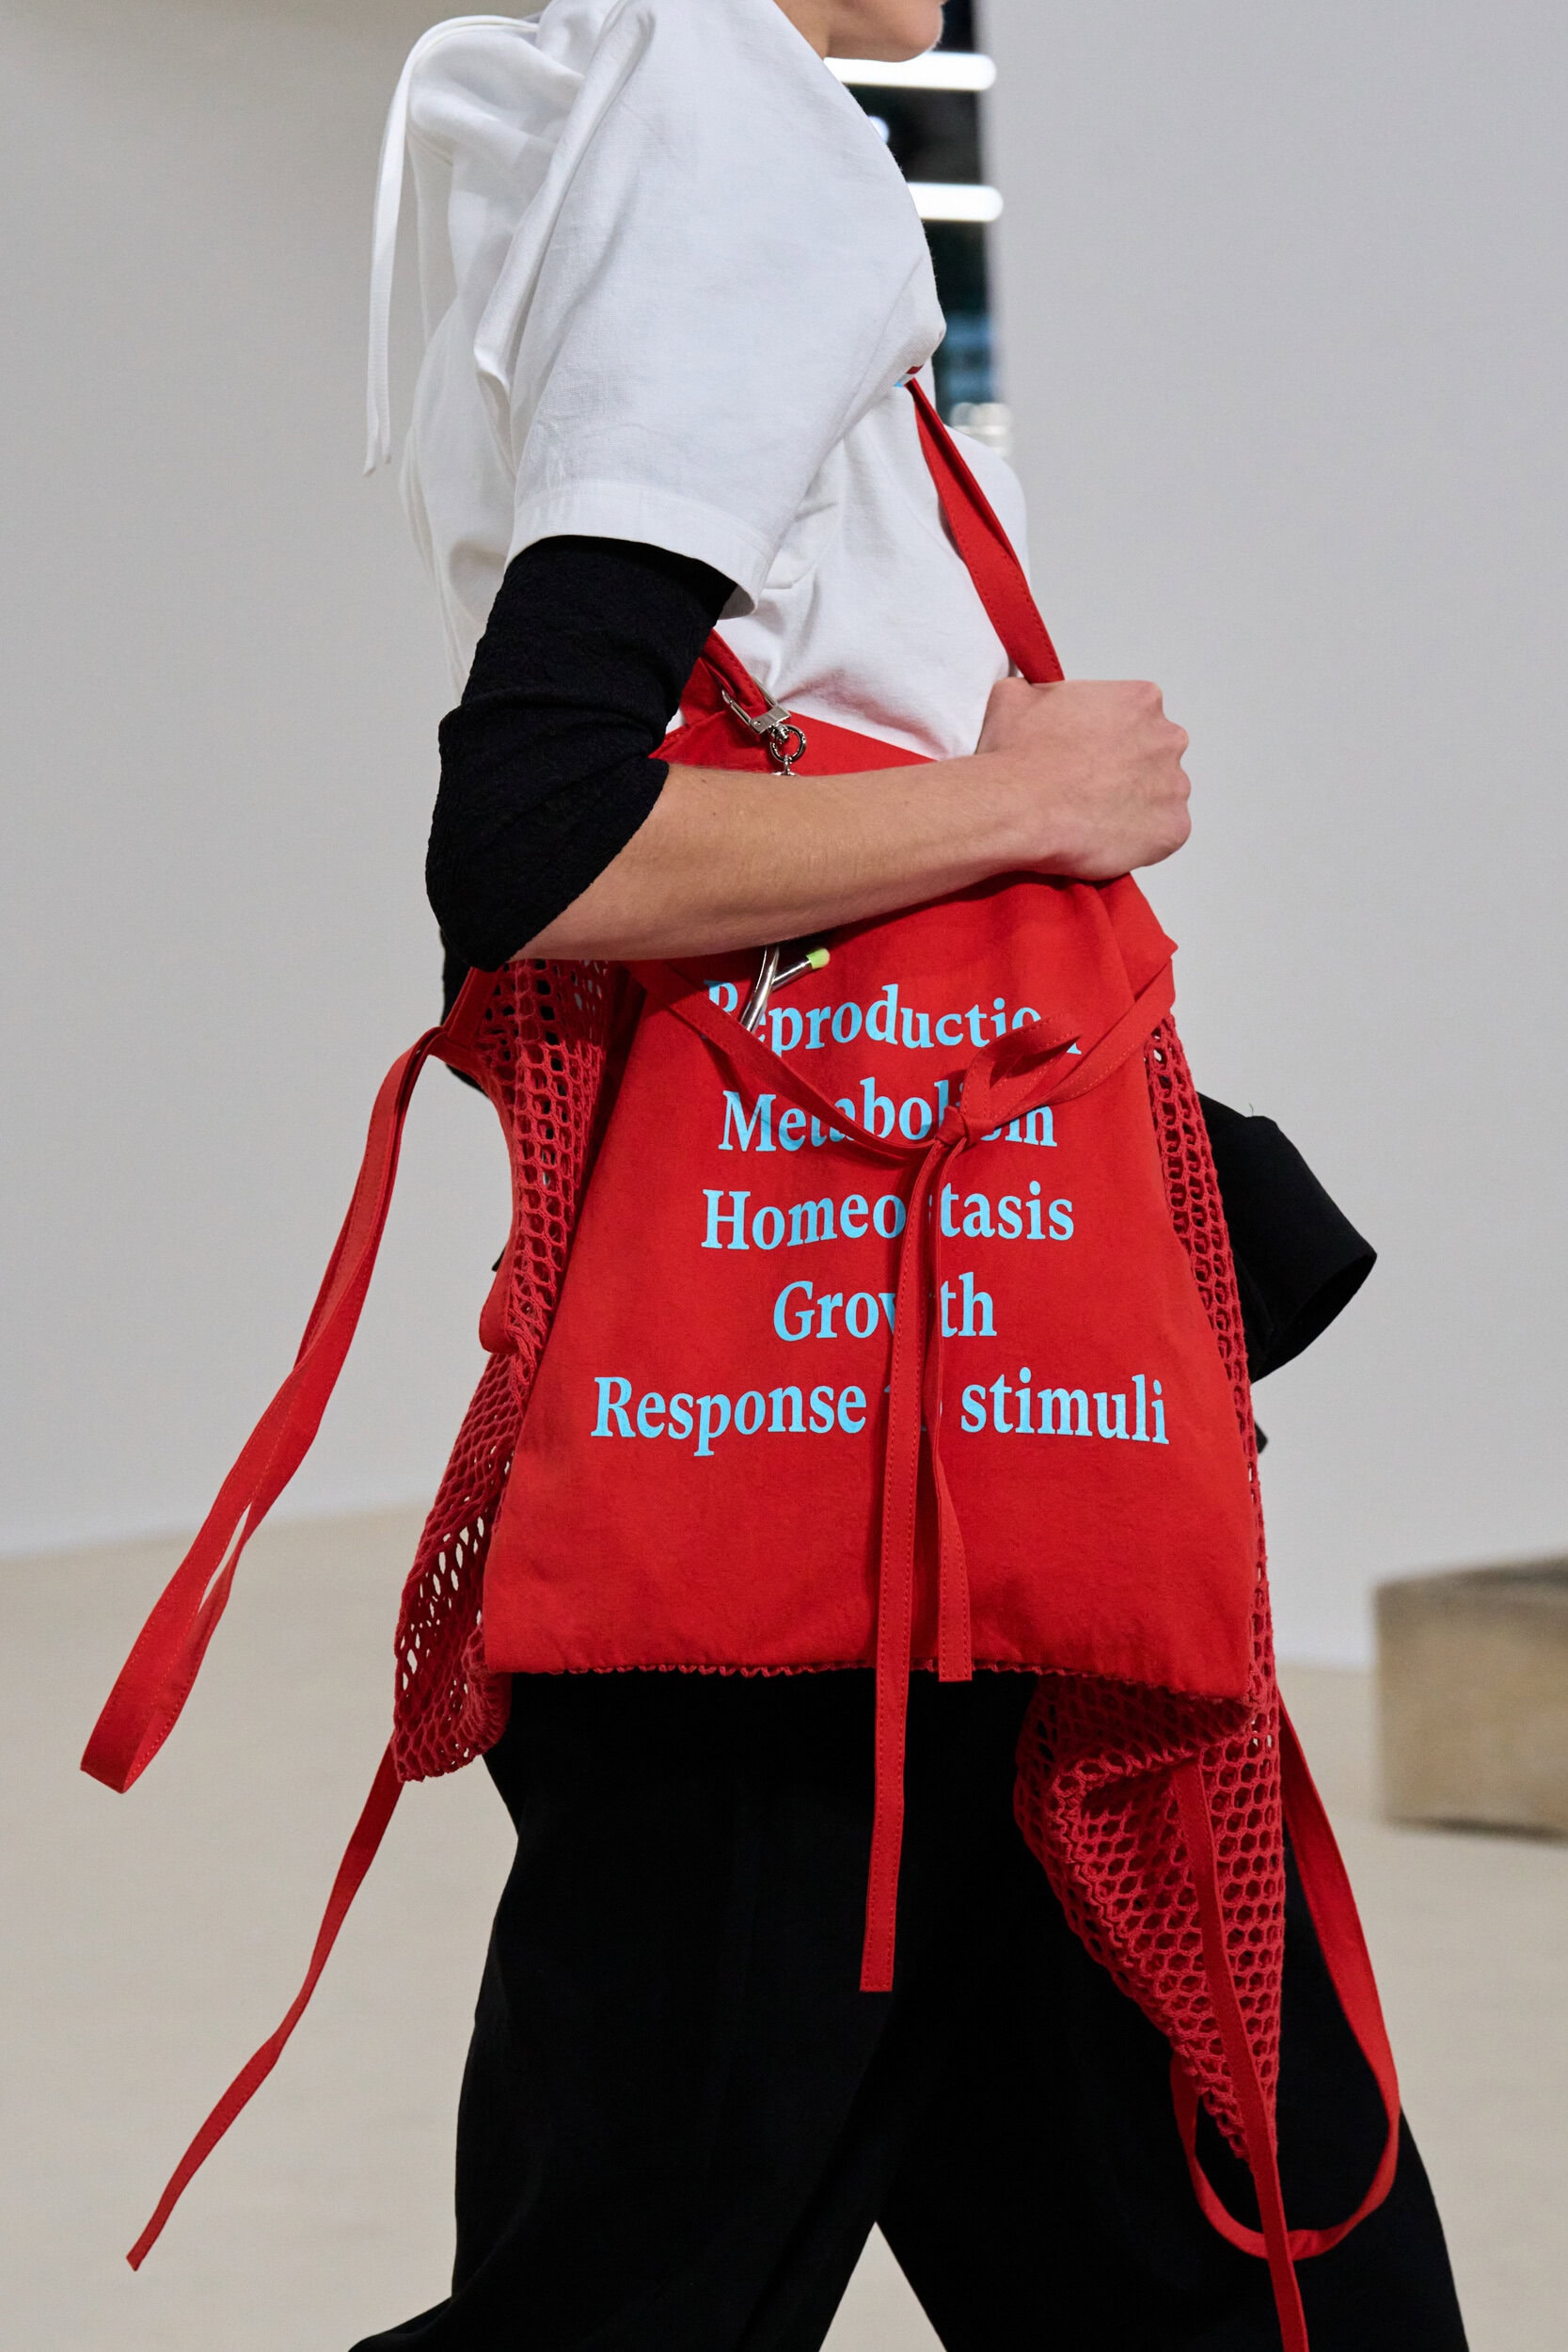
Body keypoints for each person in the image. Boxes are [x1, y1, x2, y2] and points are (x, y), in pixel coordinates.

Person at [343, 3, 1469, 2344]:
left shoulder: (580, 116)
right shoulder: (731, 120)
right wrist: (1033, 798)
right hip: (868, 1453)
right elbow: (536, 825)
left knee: (1263, 2263)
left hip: (906, 1435)